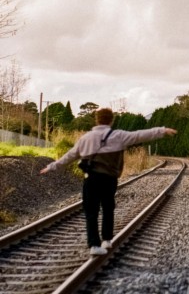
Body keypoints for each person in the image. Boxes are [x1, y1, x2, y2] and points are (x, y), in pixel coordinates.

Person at [40, 107, 177, 256]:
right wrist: (162, 130)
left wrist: (51, 166)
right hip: (109, 179)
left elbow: (69, 156)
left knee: (91, 212)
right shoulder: (118, 136)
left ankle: (94, 244)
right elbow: (140, 135)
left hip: (91, 179)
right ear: (111, 120)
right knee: (108, 207)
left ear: (96, 119)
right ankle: (106, 239)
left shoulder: (85, 138)